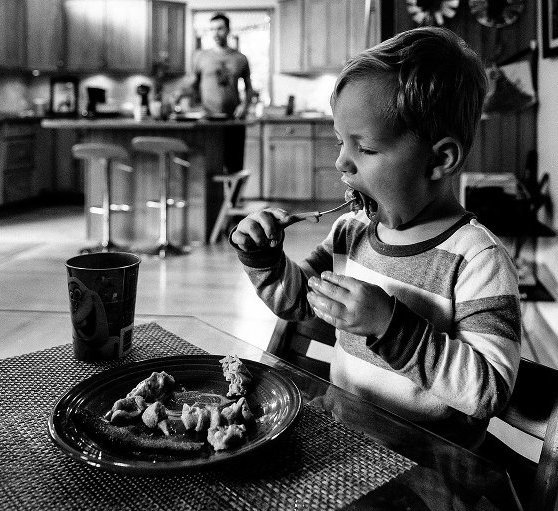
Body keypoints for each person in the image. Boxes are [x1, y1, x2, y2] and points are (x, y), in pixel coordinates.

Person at [230, 27, 521, 450]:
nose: (341, 162)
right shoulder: (351, 233)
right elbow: (297, 303)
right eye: (339, 142)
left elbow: (490, 390)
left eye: (364, 148)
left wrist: (390, 325)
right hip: (342, 437)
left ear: (440, 158)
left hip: (427, 464)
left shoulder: (477, 260)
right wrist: (263, 258)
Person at [186, 13, 254, 173]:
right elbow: (192, 85)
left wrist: (245, 105)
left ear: (228, 30)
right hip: (208, 121)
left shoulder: (241, 58)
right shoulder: (200, 57)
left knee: (235, 168)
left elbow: (249, 88)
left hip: (233, 120)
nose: (216, 33)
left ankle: (234, 199)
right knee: (210, 168)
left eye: (220, 29)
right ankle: (216, 199)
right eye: (212, 29)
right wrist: (187, 102)